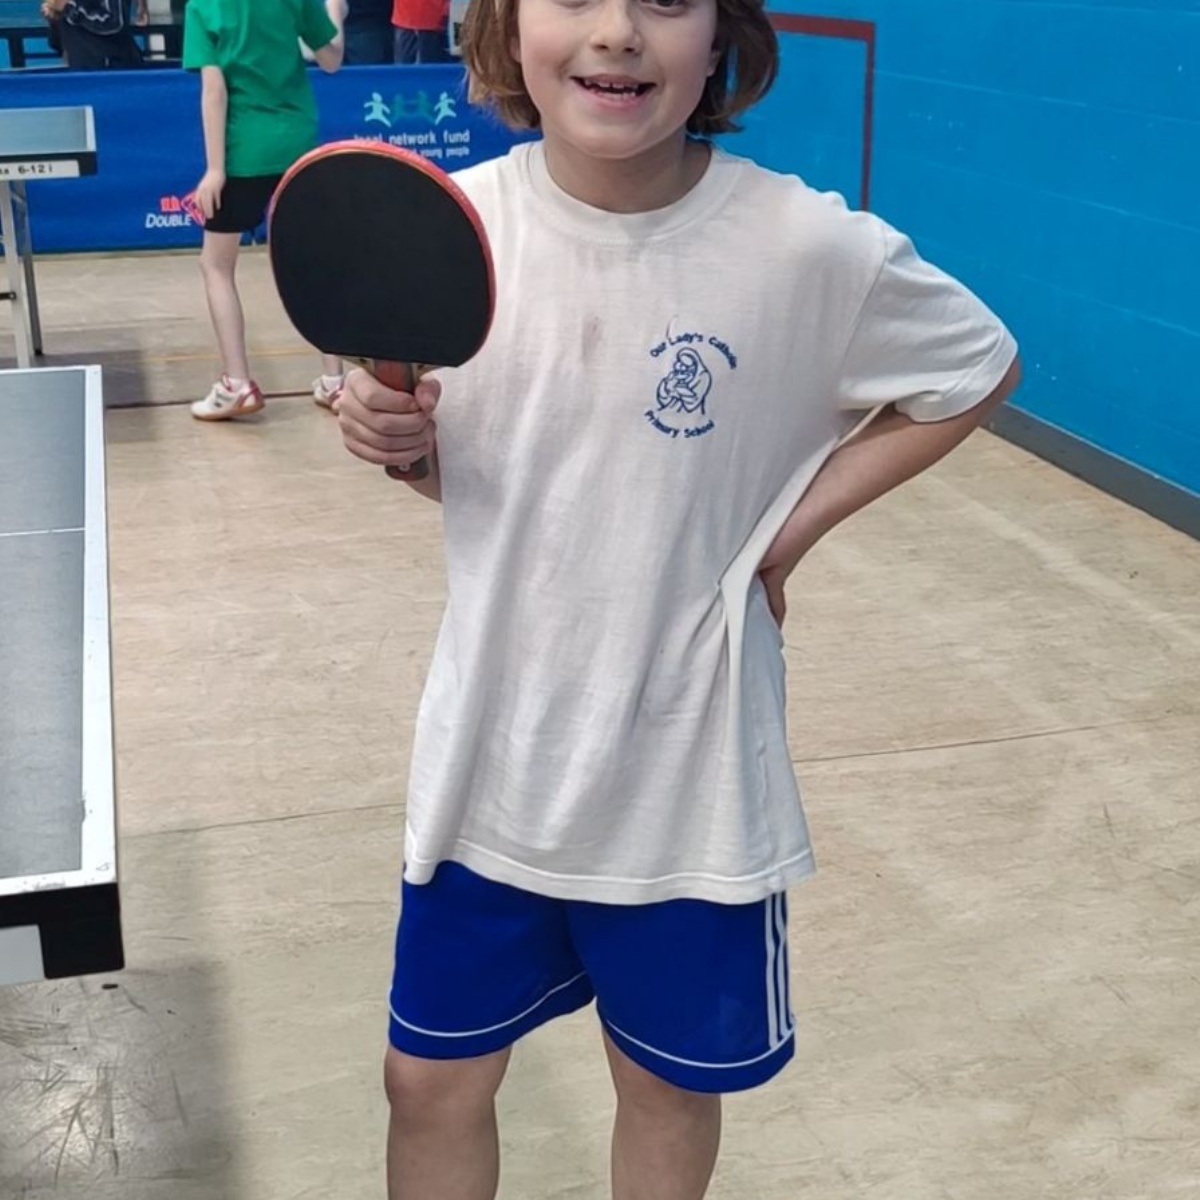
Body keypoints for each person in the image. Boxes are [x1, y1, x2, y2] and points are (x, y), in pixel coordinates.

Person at [336, 0, 1023, 1196]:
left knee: (663, 1084)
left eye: (664, 0)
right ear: (506, 24)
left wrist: (785, 534)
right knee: (427, 1082)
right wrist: (391, 434)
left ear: (722, 38)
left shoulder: (803, 248)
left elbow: (977, 364)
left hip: (691, 789)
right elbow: (477, 466)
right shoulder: (463, 228)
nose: (616, 33)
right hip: (491, 767)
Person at [183, 0, 348, 420]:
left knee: (216, 266)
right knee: (316, 265)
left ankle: (236, 384)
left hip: (244, 153)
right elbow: (331, 59)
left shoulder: (203, 6)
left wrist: (215, 169)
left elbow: (214, 90)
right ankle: (335, 382)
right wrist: (334, 11)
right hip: (297, 144)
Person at [40, 0, 143, 69]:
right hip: (79, 69)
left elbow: (115, 23)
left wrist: (69, 10)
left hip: (113, 69)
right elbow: (57, 43)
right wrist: (53, 16)